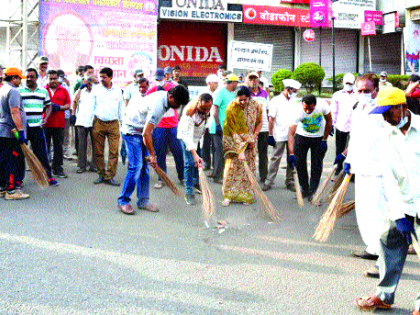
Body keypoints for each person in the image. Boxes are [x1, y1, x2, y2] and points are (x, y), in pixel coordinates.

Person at [355, 87, 420, 315]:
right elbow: (389, 177)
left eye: (387, 112)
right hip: (401, 202)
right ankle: (384, 295)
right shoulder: (386, 135)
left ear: (402, 107)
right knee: (387, 241)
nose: (384, 118)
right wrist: (399, 215)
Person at [341, 74, 388, 276]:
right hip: (360, 168)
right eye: (359, 90)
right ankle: (371, 248)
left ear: (376, 90)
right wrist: (348, 160)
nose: (362, 94)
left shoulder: (382, 111)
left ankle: (383, 258)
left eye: (366, 91)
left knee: (378, 215)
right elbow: (355, 137)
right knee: (363, 212)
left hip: (378, 171)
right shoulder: (358, 109)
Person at [116, 85, 189, 214]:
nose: (177, 107)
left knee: (145, 168)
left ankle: (143, 200)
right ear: (170, 96)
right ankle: (123, 200)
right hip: (132, 131)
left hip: (142, 130)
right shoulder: (158, 105)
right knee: (136, 167)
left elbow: (148, 131)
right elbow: (146, 134)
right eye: (177, 103)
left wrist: (151, 153)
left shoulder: (166, 98)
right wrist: (153, 154)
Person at [220, 86, 262, 206]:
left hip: (251, 142)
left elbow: (259, 122)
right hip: (234, 140)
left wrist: (254, 137)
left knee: (248, 168)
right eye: (240, 100)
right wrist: (240, 150)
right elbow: (234, 131)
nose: (243, 102)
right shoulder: (231, 108)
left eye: (245, 100)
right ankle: (228, 195)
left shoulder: (256, 105)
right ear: (236, 98)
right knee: (232, 168)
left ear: (249, 98)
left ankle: (246, 195)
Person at [287, 94, 332, 200]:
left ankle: (313, 191)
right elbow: (291, 133)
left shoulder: (323, 105)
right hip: (302, 138)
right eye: (305, 108)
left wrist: (325, 140)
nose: (307, 111)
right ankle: (304, 189)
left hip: (318, 138)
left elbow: (329, 121)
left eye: (310, 109)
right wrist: (291, 153)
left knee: (316, 165)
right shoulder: (298, 111)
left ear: (314, 105)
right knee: (300, 164)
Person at [18, 68, 58, 186]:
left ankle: (48, 176)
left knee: (41, 153)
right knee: (21, 155)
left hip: (37, 128)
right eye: (27, 77)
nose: (29, 79)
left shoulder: (43, 92)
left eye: (32, 76)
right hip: (23, 129)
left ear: (36, 78)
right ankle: (19, 179)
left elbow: (49, 106)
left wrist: (46, 118)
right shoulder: (19, 91)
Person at [146, 69, 184, 189]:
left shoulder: (173, 87)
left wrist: (179, 115)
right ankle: (161, 178)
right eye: (156, 79)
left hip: (173, 125)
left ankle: (182, 176)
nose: (159, 81)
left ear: (165, 77)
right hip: (159, 126)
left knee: (177, 151)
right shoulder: (151, 90)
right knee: (160, 152)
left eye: (160, 79)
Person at [262, 79, 301, 192]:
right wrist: (270, 135)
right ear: (288, 89)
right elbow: (271, 119)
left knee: (292, 158)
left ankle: (290, 181)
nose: (295, 93)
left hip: (292, 134)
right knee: (275, 158)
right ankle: (268, 182)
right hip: (279, 134)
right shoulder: (276, 101)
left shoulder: (295, 101)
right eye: (294, 91)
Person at [177, 93, 213, 205]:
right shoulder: (190, 113)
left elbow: (202, 127)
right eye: (203, 108)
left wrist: (198, 151)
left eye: (208, 108)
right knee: (189, 163)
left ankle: (196, 183)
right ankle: (189, 192)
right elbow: (187, 136)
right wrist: (194, 154)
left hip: (197, 138)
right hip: (186, 138)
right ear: (198, 103)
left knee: (198, 162)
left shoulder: (206, 111)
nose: (206, 110)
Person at [0, 67, 29, 199]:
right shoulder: (12, 91)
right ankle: (11, 191)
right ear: (13, 78)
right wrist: (21, 130)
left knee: (3, 160)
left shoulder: (2, 89)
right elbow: (14, 111)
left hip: (2, 131)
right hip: (11, 132)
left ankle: (2, 187)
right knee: (12, 160)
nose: (20, 81)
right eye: (19, 79)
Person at [91, 67, 123, 186]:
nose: (101, 79)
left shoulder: (118, 90)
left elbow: (120, 108)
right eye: (100, 77)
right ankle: (101, 174)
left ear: (111, 77)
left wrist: (122, 122)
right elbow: (91, 106)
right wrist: (90, 123)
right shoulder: (96, 90)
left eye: (104, 77)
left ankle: (110, 176)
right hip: (98, 122)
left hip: (114, 123)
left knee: (114, 151)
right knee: (99, 151)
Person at [209, 74, 239, 183]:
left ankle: (220, 173)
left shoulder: (232, 94)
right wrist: (217, 125)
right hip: (218, 128)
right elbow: (214, 109)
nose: (237, 85)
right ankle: (217, 176)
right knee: (219, 152)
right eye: (236, 82)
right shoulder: (220, 92)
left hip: (228, 128)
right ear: (232, 82)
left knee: (225, 152)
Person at [44, 69, 71, 178]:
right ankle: (45, 169)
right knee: (45, 147)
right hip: (45, 123)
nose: (53, 80)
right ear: (47, 79)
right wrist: (46, 108)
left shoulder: (63, 90)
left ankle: (58, 168)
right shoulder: (43, 90)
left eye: (55, 78)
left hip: (59, 124)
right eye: (51, 78)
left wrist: (59, 107)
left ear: (58, 78)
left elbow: (68, 105)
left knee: (58, 147)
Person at [330, 73, 357, 174]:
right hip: (341, 125)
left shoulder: (358, 94)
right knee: (340, 147)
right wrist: (332, 124)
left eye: (351, 83)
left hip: (354, 126)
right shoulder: (337, 95)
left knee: (353, 148)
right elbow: (334, 110)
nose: (349, 85)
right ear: (343, 83)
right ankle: (338, 167)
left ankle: (352, 170)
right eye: (347, 83)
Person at [72, 75, 99, 173]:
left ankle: (94, 165)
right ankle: (81, 166)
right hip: (81, 121)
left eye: (91, 81)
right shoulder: (81, 91)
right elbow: (75, 101)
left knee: (95, 144)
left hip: (94, 121)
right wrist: (73, 114)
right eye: (88, 81)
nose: (89, 83)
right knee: (82, 144)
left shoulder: (97, 91)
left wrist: (96, 81)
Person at [246, 72, 269, 183]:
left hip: (263, 127)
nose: (253, 81)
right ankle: (249, 175)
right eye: (251, 79)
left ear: (259, 80)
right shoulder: (246, 93)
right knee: (249, 153)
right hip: (250, 128)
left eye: (255, 79)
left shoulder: (264, 93)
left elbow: (268, 109)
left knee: (263, 153)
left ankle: (264, 176)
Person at [201, 74, 219, 171]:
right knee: (205, 144)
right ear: (209, 83)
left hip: (215, 122)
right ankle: (206, 163)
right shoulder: (203, 93)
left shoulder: (219, 93)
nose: (217, 85)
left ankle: (214, 165)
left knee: (215, 145)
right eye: (215, 83)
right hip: (205, 122)